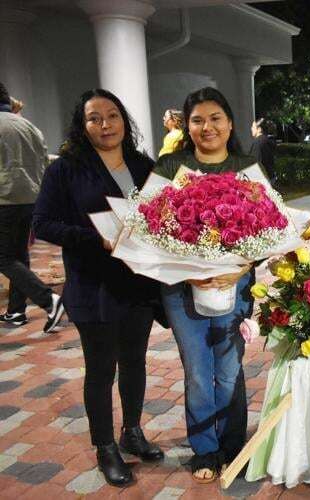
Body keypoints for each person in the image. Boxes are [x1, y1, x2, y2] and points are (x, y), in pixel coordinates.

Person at [33, 89, 164, 487]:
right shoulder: (67, 169)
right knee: (101, 368)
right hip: (94, 284)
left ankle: (133, 431)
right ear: (83, 124)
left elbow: (162, 215)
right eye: (95, 118)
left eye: (112, 115)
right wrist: (96, 237)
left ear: (124, 120)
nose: (105, 125)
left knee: (136, 360)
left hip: (138, 282)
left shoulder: (144, 165)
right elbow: (43, 223)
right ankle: (105, 446)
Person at [153, 86, 255, 483]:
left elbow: (269, 228)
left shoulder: (247, 169)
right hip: (181, 290)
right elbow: (149, 229)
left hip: (235, 287)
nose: (207, 127)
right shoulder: (169, 168)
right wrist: (185, 268)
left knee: (229, 370)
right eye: (197, 120)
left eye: (215, 118)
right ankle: (205, 450)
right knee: (197, 371)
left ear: (230, 123)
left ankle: (233, 446)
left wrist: (242, 266)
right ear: (186, 126)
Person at [0, 81, 64, 331]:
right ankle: (16, 311)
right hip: (32, 199)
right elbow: (43, 161)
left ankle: (49, 300)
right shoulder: (29, 126)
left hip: (5, 199)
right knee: (18, 255)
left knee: (3, 258)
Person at [248, 117, 277, 183]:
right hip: (270, 176)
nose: (251, 129)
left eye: (253, 127)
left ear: (259, 129)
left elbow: (255, 163)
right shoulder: (267, 140)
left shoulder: (258, 142)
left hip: (261, 180)